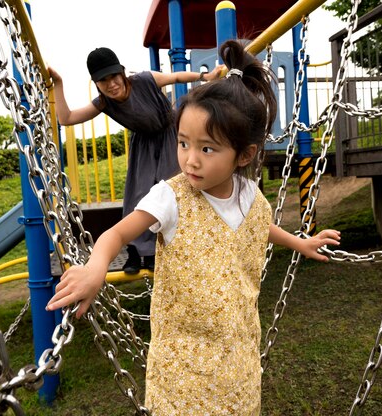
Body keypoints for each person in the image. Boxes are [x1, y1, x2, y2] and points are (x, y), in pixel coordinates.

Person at [46, 40, 341, 415]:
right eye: (183, 143)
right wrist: (95, 269)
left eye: (207, 149)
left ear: (244, 155)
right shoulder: (170, 196)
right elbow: (116, 234)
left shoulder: (249, 194)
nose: (189, 159)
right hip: (182, 362)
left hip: (237, 352)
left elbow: (260, 226)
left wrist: (300, 243)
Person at [48, 47, 224, 274]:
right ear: (96, 84)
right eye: (103, 81)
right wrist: (58, 84)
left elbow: (177, 76)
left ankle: (159, 251)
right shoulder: (104, 102)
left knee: (172, 191)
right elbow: (67, 118)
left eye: (113, 76)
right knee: (138, 195)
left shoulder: (144, 80)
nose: (111, 84)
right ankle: (135, 251)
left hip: (169, 137)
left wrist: (205, 77)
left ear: (121, 72)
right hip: (143, 146)